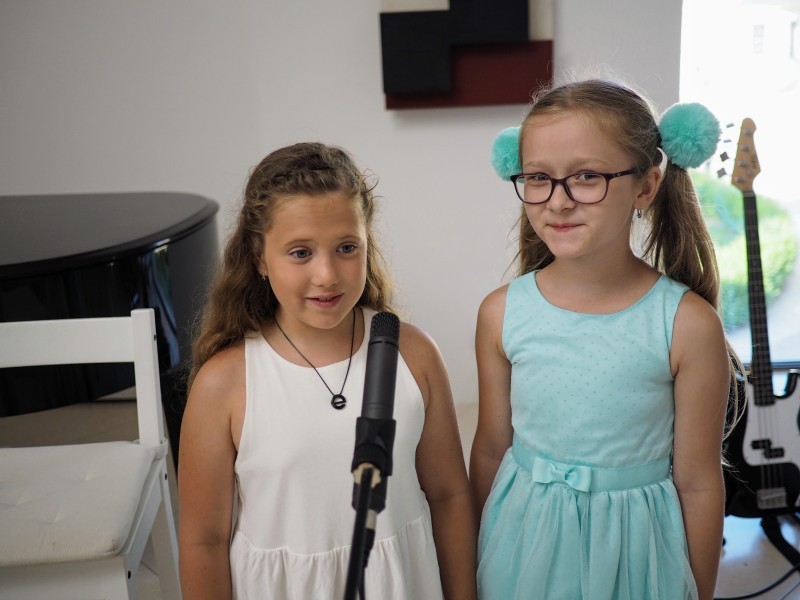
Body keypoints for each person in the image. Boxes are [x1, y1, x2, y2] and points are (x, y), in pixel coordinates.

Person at [471, 80, 739, 600]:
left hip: (638, 554)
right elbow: (489, 450)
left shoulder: (686, 324)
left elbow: (700, 483)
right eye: (538, 177)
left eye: (587, 177)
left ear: (646, 186)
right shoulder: (500, 313)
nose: (558, 201)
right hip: (520, 545)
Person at [178, 142, 477, 600]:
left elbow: (449, 496)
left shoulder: (414, 355)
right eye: (300, 253)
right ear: (259, 258)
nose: (327, 274)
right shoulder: (224, 383)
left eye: (346, 248)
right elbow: (204, 541)